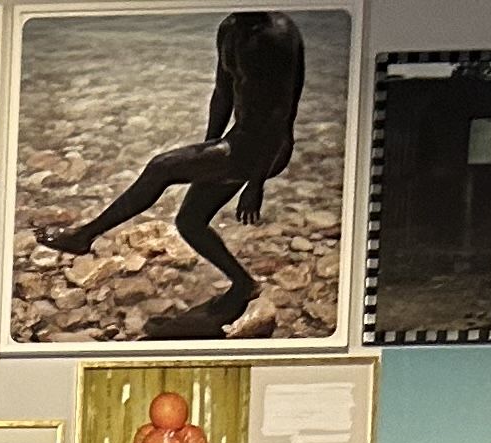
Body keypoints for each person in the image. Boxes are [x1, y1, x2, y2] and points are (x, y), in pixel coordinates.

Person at [32, 8, 314, 338]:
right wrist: (209, 149)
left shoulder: (276, 37)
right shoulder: (230, 27)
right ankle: (244, 284)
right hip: (238, 143)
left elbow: (280, 115)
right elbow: (223, 92)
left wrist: (256, 182)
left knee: (160, 166)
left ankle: (84, 236)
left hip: (267, 148)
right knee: (189, 223)